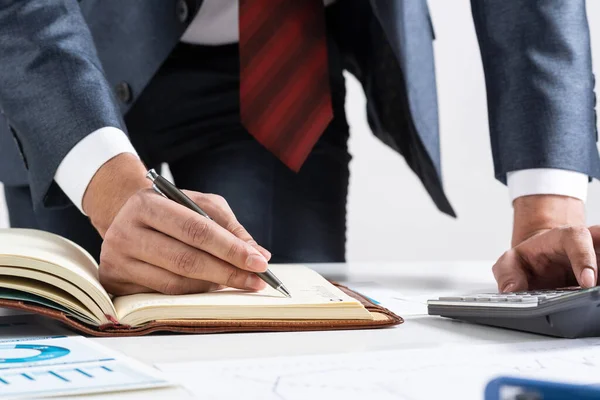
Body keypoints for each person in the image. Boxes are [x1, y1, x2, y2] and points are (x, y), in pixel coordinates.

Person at [0, 0, 598, 296]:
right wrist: (108, 185)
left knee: (279, 325)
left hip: (278, 64)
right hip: (71, 58)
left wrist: (548, 213)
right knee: (80, 324)